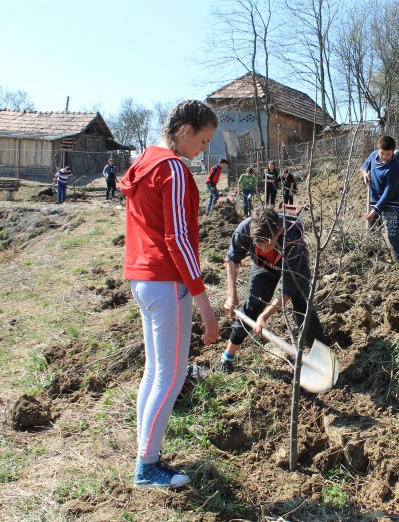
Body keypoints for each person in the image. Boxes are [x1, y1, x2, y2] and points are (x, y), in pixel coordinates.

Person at [120, 100, 221, 489]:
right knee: (172, 375)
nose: (203, 150)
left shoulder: (144, 161)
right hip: (166, 281)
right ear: (183, 131)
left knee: (155, 372)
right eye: (202, 139)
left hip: (141, 279)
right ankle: (147, 465)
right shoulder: (174, 170)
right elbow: (177, 239)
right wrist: (203, 303)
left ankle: (146, 450)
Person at [219, 206, 327, 372]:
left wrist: (265, 316)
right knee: (253, 306)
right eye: (258, 244)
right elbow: (233, 260)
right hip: (264, 265)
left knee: (303, 307)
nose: (262, 249)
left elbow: (289, 288)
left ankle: (322, 356)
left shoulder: (292, 237)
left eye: (267, 244)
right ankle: (227, 357)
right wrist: (231, 295)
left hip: (295, 265)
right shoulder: (244, 230)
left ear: (279, 232)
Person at [361, 135, 399, 268]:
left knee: (393, 235)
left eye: (388, 154)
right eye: (382, 153)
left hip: (391, 203)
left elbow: (388, 192)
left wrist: (375, 210)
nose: (385, 157)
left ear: (393, 152)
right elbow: (365, 164)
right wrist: (364, 173)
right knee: (372, 233)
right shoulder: (373, 155)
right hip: (373, 199)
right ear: (378, 149)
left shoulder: (395, 167)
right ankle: (374, 264)